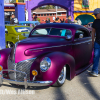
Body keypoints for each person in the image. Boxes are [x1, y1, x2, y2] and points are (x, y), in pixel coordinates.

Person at [90, 8, 100, 77]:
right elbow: (93, 32)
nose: (95, 16)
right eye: (95, 15)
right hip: (97, 42)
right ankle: (94, 71)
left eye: (96, 15)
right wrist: (92, 41)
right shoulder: (95, 21)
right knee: (96, 56)